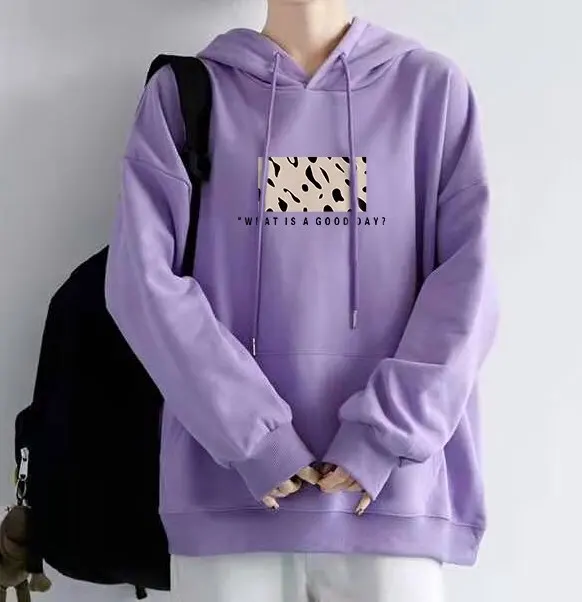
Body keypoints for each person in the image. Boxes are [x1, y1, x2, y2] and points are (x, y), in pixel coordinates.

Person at [104, 0, 498, 600]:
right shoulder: (187, 95)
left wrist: (383, 435)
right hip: (227, 503)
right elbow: (142, 282)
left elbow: (469, 288)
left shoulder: (430, 92)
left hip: (391, 503)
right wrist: (255, 437)